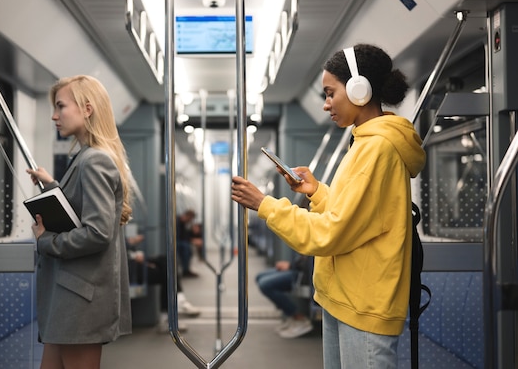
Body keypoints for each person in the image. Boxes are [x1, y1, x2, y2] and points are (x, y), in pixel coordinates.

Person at [231, 44, 426, 368]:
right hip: (345, 297)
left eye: (330, 93)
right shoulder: (364, 143)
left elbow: (331, 233)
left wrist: (265, 205)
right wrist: (317, 192)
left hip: (362, 303)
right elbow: (355, 216)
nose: (326, 105)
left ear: (358, 89)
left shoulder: (376, 149)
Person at [26, 75, 133, 369]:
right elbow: (78, 210)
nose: (54, 115)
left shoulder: (94, 160)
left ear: (87, 109)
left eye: (61, 106)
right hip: (70, 296)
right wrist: (52, 187)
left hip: (80, 299)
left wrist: (46, 240)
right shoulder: (87, 158)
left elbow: (97, 233)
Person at [125, 234, 201, 332]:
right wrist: (132, 247)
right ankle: (178, 302)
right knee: (167, 272)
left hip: (132, 261)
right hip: (129, 267)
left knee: (167, 262)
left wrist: (131, 244)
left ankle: (172, 310)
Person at [256, 254, 314, 338]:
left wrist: (291, 265)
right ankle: (292, 317)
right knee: (259, 277)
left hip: (304, 273)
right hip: (299, 268)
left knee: (265, 285)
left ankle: (299, 318)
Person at [176, 209, 199, 277]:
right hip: (177, 242)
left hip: (181, 241)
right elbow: (180, 236)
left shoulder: (185, 223)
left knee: (188, 249)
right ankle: (185, 270)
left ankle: (186, 269)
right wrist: (192, 240)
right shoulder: (178, 222)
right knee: (186, 248)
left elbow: (185, 235)